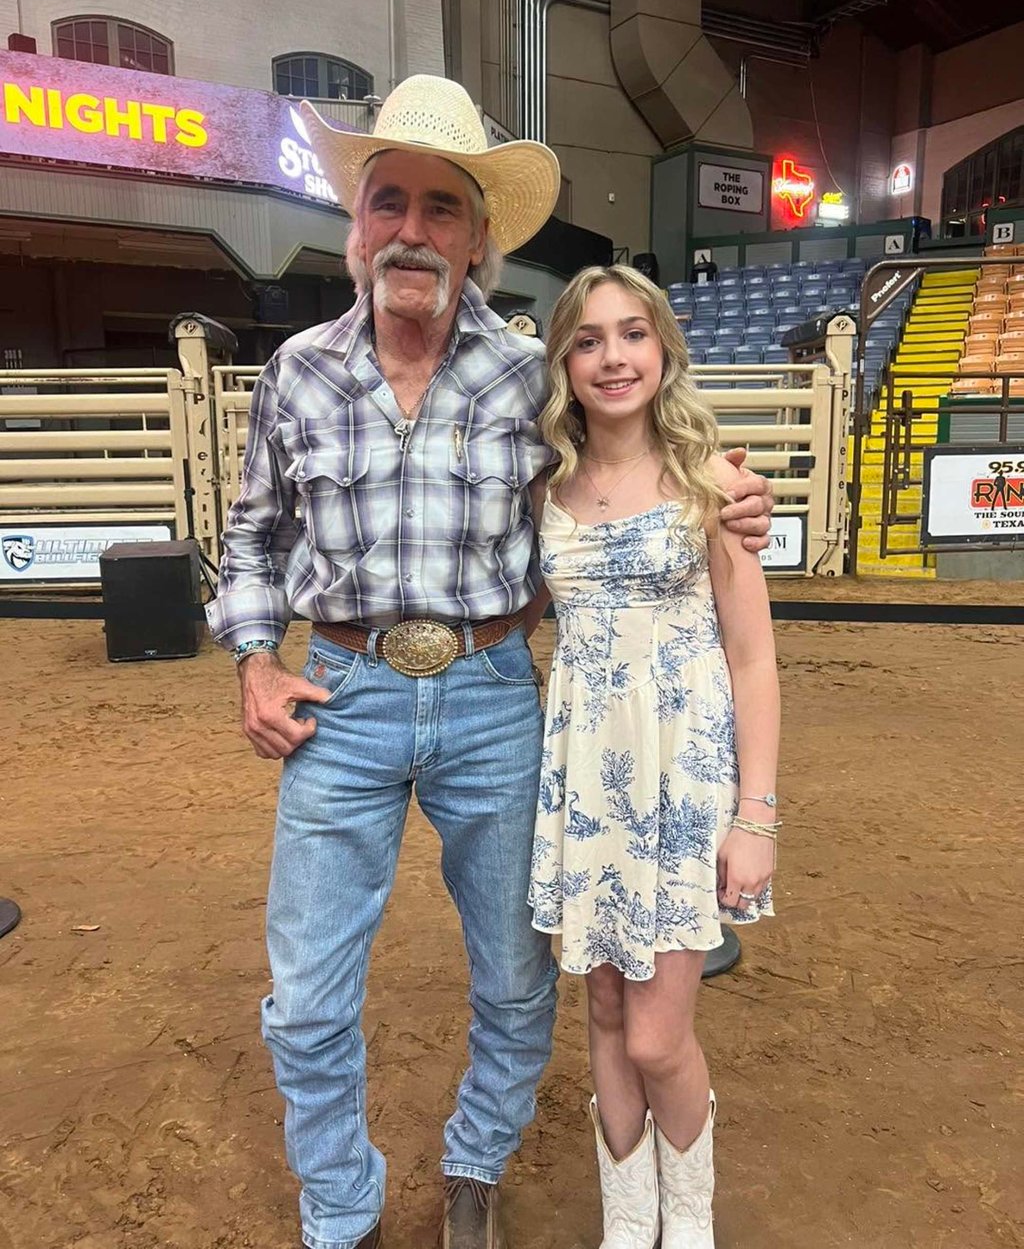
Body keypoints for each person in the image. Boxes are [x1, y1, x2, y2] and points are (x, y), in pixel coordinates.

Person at [206, 74, 775, 1249]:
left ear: (476, 239)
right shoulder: (298, 374)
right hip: (341, 697)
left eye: (441, 208)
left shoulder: (530, 375)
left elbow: (638, 433)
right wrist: (256, 660)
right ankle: (341, 1215)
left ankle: (475, 1165)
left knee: (519, 984)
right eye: (388, 203)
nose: (411, 230)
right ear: (357, 225)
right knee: (308, 998)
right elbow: (253, 535)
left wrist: (731, 495)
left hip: (496, 696)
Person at [527, 264, 780, 1248]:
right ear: (564, 363)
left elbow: (754, 661)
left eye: (631, 333)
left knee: (655, 1034)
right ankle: (627, 1227)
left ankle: (692, 1227)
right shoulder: (546, 489)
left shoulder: (712, 484)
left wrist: (755, 817)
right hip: (586, 777)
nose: (611, 357)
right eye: (587, 340)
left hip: (682, 785)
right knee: (598, 1010)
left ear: (663, 347)